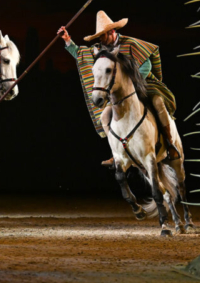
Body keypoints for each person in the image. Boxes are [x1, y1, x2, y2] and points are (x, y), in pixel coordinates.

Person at [58, 11, 179, 167]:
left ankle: (170, 144)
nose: (101, 40)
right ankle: (116, 154)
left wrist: (133, 83)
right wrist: (67, 40)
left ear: (112, 32)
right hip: (119, 95)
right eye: (99, 37)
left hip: (142, 86)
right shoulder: (101, 50)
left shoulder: (130, 44)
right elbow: (82, 54)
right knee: (104, 117)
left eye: (103, 35)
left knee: (158, 102)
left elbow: (146, 63)